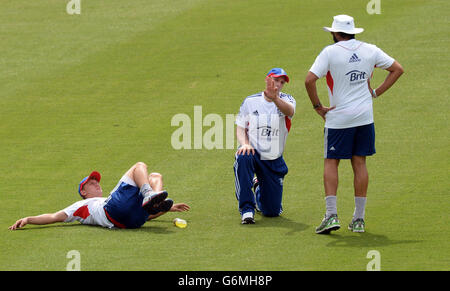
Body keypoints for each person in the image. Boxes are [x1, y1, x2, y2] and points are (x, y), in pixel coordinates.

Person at [304, 15, 404, 234]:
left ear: (334, 33)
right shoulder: (370, 49)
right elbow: (398, 69)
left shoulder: (329, 52)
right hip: (365, 117)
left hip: (339, 118)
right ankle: (358, 219)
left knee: (331, 161)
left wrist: (317, 107)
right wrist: (375, 93)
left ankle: (331, 215)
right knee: (359, 162)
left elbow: (309, 80)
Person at [9, 162, 190, 230]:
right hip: (113, 210)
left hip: (134, 221)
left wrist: (166, 209)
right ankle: (151, 194)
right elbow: (54, 217)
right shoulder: (80, 207)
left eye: (96, 181)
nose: (96, 183)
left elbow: (145, 217)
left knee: (156, 176)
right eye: (91, 183)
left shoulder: (107, 198)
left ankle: (155, 201)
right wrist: (28, 219)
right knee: (139, 166)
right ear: (83, 192)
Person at [234, 68, 296, 224]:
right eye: (276, 80)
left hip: (273, 158)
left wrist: (275, 99)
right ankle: (247, 209)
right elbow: (240, 127)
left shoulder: (287, 100)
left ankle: (259, 187)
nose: (279, 84)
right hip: (253, 153)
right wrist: (245, 144)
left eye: (282, 82)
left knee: (272, 212)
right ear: (268, 79)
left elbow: (290, 111)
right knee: (243, 156)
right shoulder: (250, 101)